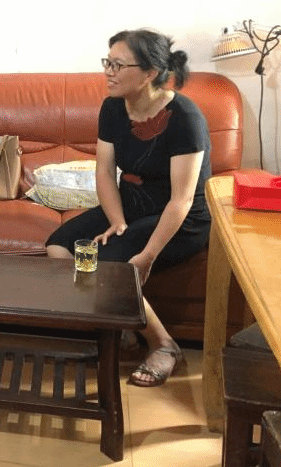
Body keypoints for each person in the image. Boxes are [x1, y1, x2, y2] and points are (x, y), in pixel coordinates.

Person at [46, 29, 212, 387]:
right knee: (58, 247)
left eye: (118, 65)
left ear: (149, 73)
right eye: (107, 63)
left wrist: (147, 255)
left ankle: (165, 345)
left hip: (180, 219)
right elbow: (105, 171)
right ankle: (121, 328)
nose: (108, 72)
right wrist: (117, 221)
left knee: (108, 268)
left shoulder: (184, 117)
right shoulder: (112, 107)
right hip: (132, 205)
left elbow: (182, 199)